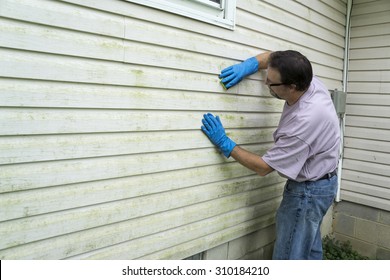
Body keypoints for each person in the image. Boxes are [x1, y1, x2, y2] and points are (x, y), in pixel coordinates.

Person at [201, 50, 340, 260]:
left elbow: (263, 167)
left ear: (291, 86)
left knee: (289, 257)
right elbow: (272, 57)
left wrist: (225, 143)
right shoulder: (308, 80)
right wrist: (248, 66)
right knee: (309, 253)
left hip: (308, 193)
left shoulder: (304, 122)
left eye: (271, 82)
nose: (266, 83)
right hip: (323, 182)